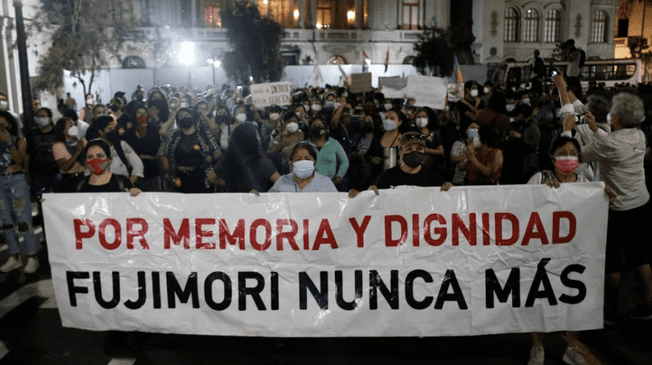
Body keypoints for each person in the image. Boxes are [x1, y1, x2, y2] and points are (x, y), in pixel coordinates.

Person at [562, 92, 652, 324]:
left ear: (617, 119)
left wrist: (566, 131)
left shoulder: (607, 144)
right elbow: (611, 142)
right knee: (640, 258)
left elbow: (572, 159)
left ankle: (609, 313)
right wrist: (593, 127)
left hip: (616, 208)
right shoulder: (640, 135)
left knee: (612, 263)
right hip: (640, 203)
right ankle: (647, 306)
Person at [526, 136, 615, 365]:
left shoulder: (586, 184)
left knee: (573, 299)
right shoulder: (539, 178)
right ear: (552, 156)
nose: (568, 157)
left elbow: (595, 215)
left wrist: (605, 199)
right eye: (563, 152)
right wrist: (543, 194)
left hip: (574, 253)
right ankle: (537, 346)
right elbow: (520, 207)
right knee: (539, 298)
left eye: (573, 153)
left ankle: (572, 348)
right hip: (542, 252)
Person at [0, 111, 39, 274]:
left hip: (16, 179)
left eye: (2, 125)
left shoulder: (19, 140)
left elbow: (20, 161)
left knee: (23, 219)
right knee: (7, 221)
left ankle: (32, 256)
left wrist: (8, 143)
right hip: (1, 181)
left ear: (9, 125)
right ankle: (14, 256)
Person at [366, 126, 453, 192]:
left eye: (419, 149)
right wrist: (371, 193)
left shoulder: (434, 178)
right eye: (409, 149)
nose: (415, 152)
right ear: (400, 152)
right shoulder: (386, 177)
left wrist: (451, 189)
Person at [161, 108, 220, 193]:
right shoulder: (174, 135)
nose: (184, 118)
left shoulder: (204, 134)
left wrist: (212, 157)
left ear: (194, 117)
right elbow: (164, 154)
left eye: (187, 115)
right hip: (179, 176)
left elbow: (218, 152)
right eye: (181, 116)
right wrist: (168, 172)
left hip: (200, 176)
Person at [209, 122, 280, 193]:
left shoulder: (227, 159)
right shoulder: (261, 160)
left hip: (234, 200)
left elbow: (211, 178)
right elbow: (279, 182)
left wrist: (229, 184)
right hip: (257, 199)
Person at [85, 115, 144, 185]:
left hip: (120, 186)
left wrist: (128, 184)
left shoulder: (122, 145)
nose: (113, 131)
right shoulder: (94, 147)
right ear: (101, 132)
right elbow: (89, 169)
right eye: (110, 129)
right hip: (99, 186)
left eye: (114, 129)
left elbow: (138, 165)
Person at [269, 142, 337, 192]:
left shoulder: (325, 183)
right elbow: (268, 201)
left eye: (307, 159)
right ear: (291, 163)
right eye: (298, 159)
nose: (303, 162)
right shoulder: (282, 182)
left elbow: (336, 204)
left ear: (314, 162)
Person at [307, 116, 349, 190]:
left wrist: (339, 175)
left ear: (325, 128)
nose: (317, 128)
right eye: (314, 126)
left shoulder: (334, 143)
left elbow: (344, 161)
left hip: (331, 184)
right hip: (309, 185)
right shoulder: (305, 145)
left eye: (319, 126)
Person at [52, 117, 86, 192]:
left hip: (83, 178)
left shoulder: (82, 141)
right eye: (71, 126)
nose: (74, 127)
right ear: (64, 131)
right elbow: (64, 167)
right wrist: (77, 152)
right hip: (69, 179)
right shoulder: (58, 146)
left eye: (74, 125)